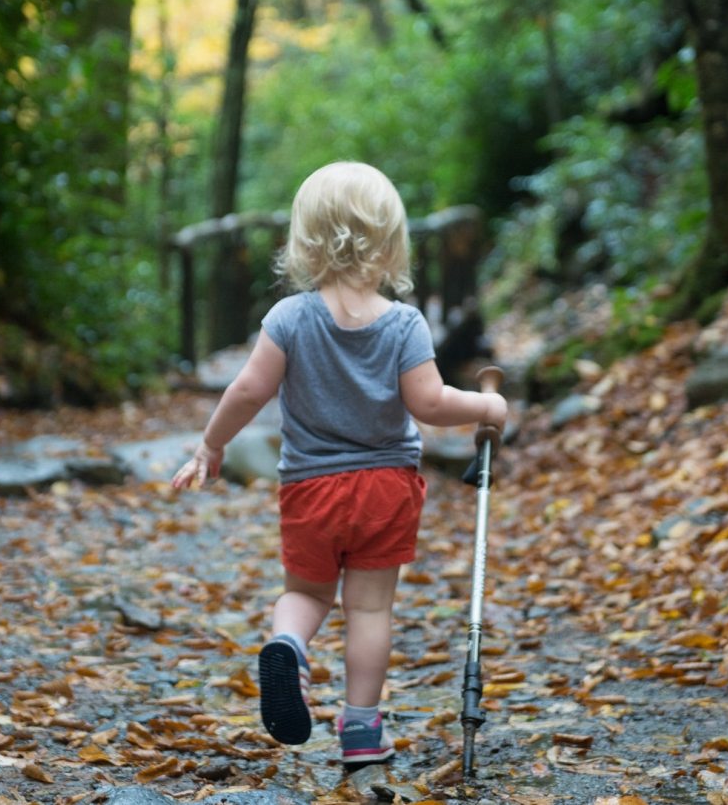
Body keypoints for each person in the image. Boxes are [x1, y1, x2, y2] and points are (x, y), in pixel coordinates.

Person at [170, 161, 507, 768]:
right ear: (389, 242)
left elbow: (248, 391)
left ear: (305, 241)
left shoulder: (289, 318)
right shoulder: (404, 324)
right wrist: (487, 403)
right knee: (370, 608)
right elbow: (429, 403)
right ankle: (360, 731)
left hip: (309, 488)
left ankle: (289, 645)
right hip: (384, 487)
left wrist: (211, 445)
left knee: (306, 592)